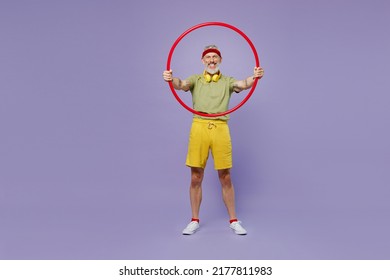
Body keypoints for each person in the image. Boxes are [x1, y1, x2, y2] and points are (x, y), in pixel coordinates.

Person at [162, 45, 264, 235]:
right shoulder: (196, 79)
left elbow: (243, 84)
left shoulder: (227, 81)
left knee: (225, 176)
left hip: (220, 128)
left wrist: (255, 76)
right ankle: (194, 220)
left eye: (215, 57)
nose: (211, 60)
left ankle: (234, 220)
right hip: (199, 126)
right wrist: (171, 78)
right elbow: (182, 84)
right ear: (203, 60)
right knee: (195, 176)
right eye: (208, 57)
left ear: (220, 60)